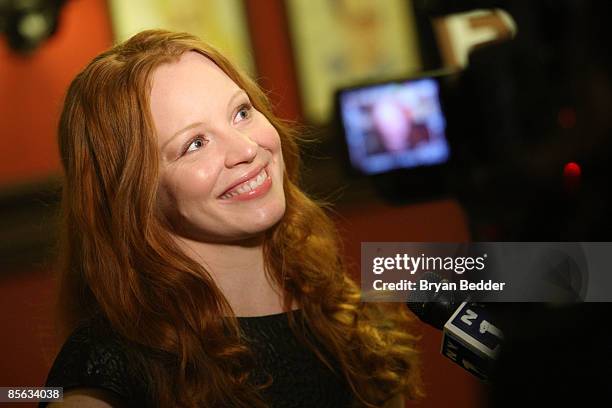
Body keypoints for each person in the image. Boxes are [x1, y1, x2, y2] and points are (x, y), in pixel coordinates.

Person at [41, 29, 422, 407]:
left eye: (241, 113)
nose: (246, 149)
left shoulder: (335, 302)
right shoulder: (108, 373)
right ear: (133, 196)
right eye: (195, 144)